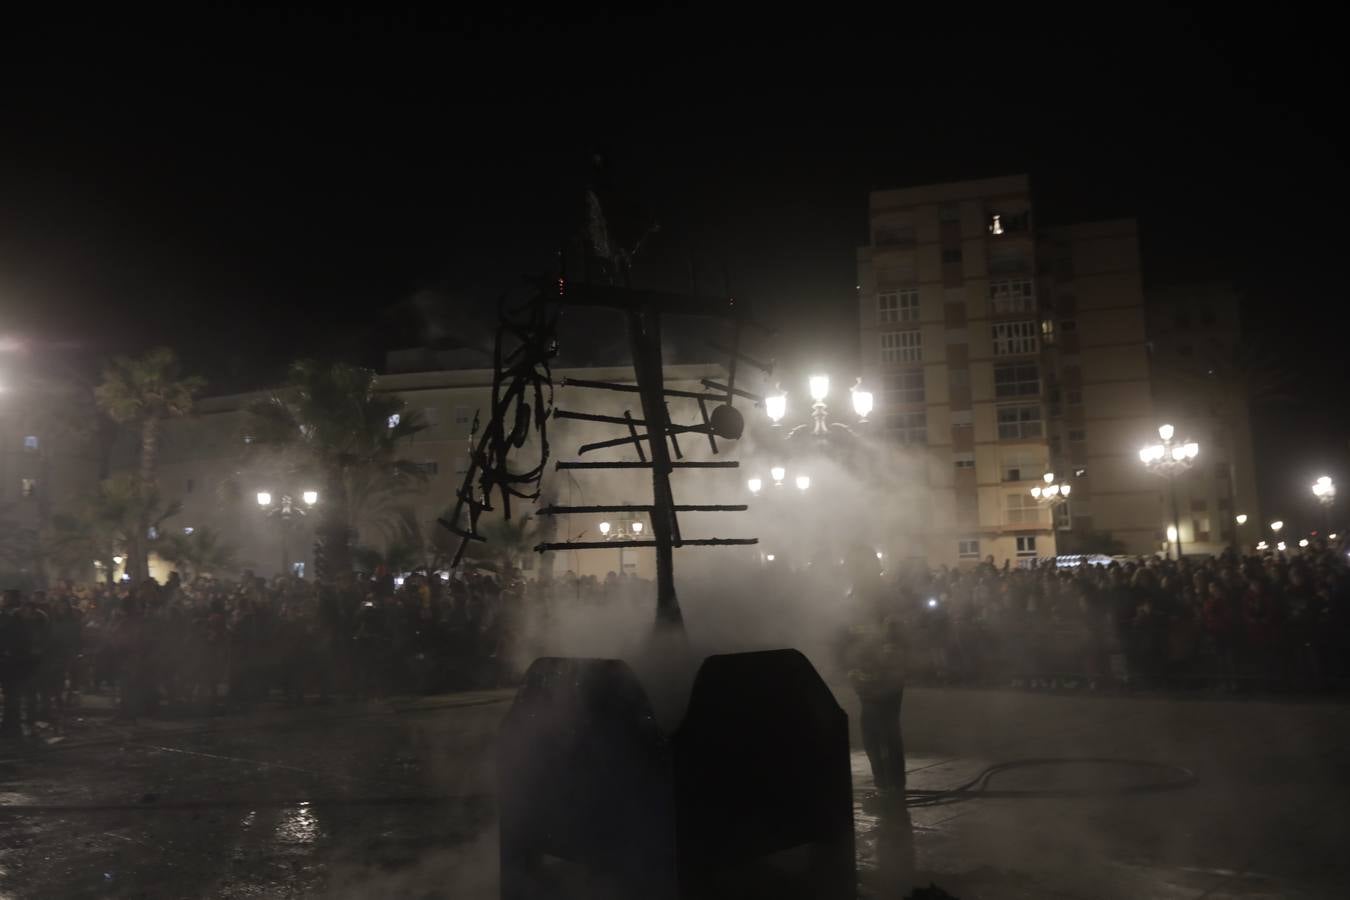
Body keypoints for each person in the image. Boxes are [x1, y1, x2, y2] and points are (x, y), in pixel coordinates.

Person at [839, 547, 908, 795]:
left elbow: (897, 634)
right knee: (870, 731)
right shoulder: (853, 598)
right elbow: (844, 637)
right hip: (863, 674)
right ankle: (883, 784)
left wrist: (886, 662)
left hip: (887, 675)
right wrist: (850, 668)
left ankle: (894, 786)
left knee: (887, 729)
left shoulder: (887, 597)